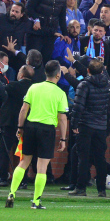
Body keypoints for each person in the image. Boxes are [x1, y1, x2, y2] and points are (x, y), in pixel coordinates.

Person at [5, 60, 68, 209]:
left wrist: (20, 127)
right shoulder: (60, 93)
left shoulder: (34, 87)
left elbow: (23, 109)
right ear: (58, 75)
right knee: (42, 166)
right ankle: (36, 201)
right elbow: (62, 118)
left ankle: (11, 193)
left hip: (30, 127)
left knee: (23, 162)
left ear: (45, 73)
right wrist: (63, 138)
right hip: (47, 129)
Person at [70, 59, 110, 197]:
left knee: (83, 157)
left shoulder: (84, 85)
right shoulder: (108, 84)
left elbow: (78, 107)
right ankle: (101, 190)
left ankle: (81, 187)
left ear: (88, 71)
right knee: (100, 158)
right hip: (101, 126)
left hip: (86, 125)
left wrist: (74, 124)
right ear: (102, 71)